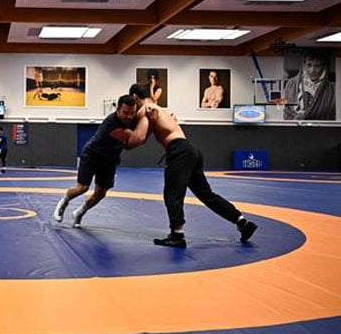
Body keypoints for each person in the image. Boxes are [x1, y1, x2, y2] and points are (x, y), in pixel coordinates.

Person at [129, 83, 257, 247]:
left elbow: (139, 136)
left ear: (134, 97)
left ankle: (177, 235)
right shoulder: (161, 110)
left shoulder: (146, 109)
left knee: (172, 193)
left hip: (179, 151)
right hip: (190, 150)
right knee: (206, 194)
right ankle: (242, 222)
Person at [53, 94, 149, 228]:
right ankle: (63, 202)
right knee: (82, 188)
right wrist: (148, 121)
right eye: (125, 113)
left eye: (132, 113)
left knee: (101, 193)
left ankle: (80, 212)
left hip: (110, 159)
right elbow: (134, 141)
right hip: (92, 155)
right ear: (117, 109)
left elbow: (145, 109)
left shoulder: (132, 118)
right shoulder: (112, 124)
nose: (129, 116)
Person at [284, 50, 336, 121]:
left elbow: (331, 114)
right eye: (309, 65)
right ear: (304, 64)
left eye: (317, 66)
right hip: (295, 126)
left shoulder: (333, 88)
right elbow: (287, 111)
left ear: (323, 66)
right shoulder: (291, 83)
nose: (312, 70)